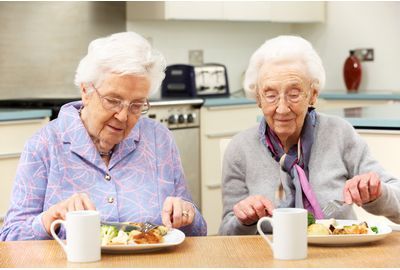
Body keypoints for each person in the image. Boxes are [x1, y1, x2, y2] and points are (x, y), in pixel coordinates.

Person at [0, 32, 207, 241]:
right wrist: (48, 219)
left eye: (136, 105)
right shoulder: (44, 145)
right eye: (113, 100)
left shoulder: (158, 139)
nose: (123, 116)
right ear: (85, 91)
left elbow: (197, 232)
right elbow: (10, 239)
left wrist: (187, 215)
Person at [219, 35, 400, 235]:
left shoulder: (339, 133)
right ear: (258, 99)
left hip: (339, 256)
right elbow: (227, 233)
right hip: (271, 258)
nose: (282, 108)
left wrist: (376, 193)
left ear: (313, 94)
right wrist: (245, 221)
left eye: (294, 94)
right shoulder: (240, 148)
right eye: (270, 95)